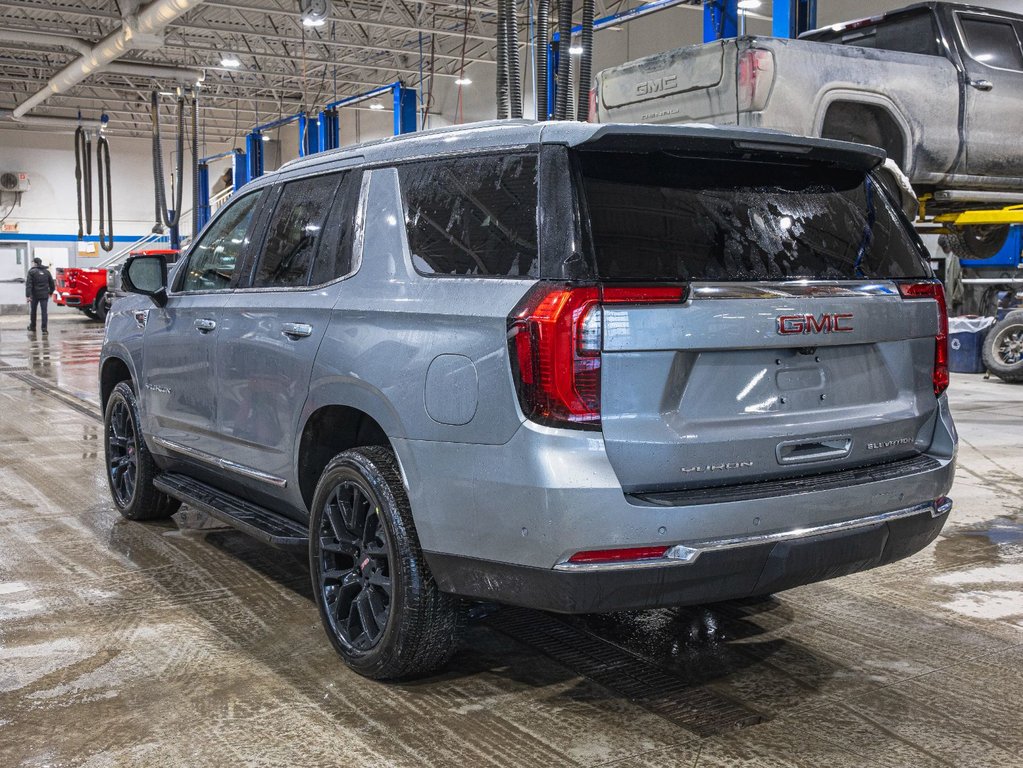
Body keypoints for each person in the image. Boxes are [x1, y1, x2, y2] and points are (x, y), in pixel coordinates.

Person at [25, 256, 55, 335]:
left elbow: (29, 285)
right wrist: (50, 293)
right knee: (44, 312)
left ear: (35, 263)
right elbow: (52, 284)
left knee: (33, 311)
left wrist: (28, 295)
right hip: (44, 295)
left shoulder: (31, 272)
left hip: (34, 295)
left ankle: (33, 327)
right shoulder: (46, 272)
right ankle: (44, 329)